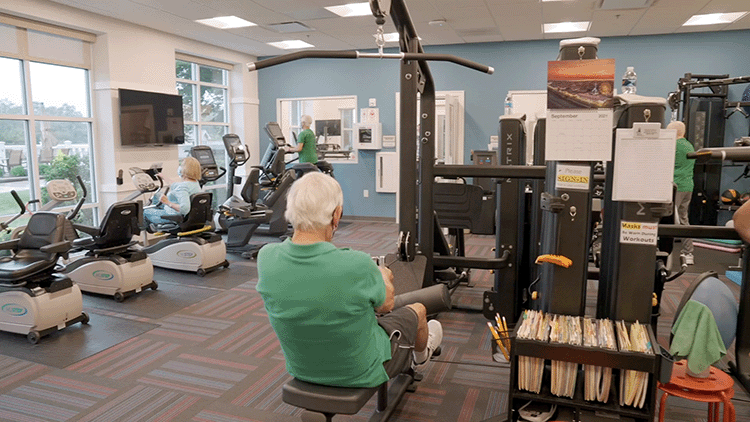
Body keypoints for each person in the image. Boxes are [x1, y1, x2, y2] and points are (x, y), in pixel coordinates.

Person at [256, 172, 443, 388]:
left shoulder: (266, 257)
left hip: (301, 368)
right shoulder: (357, 263)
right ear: (336, 215)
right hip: (363, 370)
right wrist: (382, 276)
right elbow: (386, 305)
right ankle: (420, 359)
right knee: (418, 310)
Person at [143, 156, 202, 226]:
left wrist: (167, 202)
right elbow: (175, 185)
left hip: (173, 216)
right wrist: (163, 176)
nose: (179, 167)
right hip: (188, 216)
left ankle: (149, 227)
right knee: (157, 195)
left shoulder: (182, 187)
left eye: (181, 165)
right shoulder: (195, 183)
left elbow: (184, 209)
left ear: (186, 169)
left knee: (144, 211)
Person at [670, 120, 695, 265]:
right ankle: (688, 253)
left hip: (675, 186)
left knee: (672, 219)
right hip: (687, 186)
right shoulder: (688, 145)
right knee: (683, 219)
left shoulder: (674, 145)